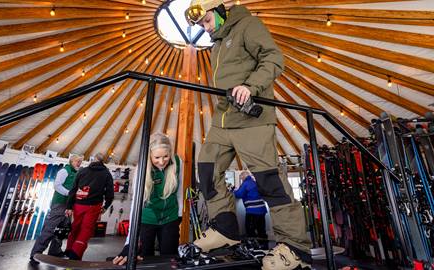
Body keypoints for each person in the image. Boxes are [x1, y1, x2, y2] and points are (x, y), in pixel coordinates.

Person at [185, 0, 312, 269]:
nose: (205, 29)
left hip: (252, 118)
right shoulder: (217, 43)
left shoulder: (248, 25)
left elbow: (274, 58)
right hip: (223, 119)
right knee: (207, 170)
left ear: (220, 11)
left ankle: (294, 249)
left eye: (207, 21)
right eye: (201, 25)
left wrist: (251, 86)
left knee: (268, 180)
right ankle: (225, 230)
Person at [111, 133, 183, 265]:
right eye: (157, 157)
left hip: (170, 218)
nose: (162, 162)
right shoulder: (142, 168)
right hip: (147, 218)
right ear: (149, 155)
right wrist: (130, 242)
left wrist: (179, 216)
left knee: (170, 259)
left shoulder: (178, 162)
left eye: (166, 156)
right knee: (144, 258)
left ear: (170, 153)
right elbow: (136, 205)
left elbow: (179, 192)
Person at [29, 155, 83, 266]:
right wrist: (69, 193)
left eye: (80, 162)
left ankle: (55, 251)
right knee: (49, 229)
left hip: (68, 205)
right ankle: (35, 254)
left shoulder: (76, 173)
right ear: (71, 161)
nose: (79, 163)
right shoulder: (64, 171)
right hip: (59, 204)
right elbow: (57, 185)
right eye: (78, 161)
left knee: (62, 230)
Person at [64, 153, 114, 260]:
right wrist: (105, 207)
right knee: (86, 230)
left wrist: (69, 206)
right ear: (102, 161)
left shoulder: (82, 170)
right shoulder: (106, 174)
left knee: (75, 227)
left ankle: (69, 249)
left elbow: (73, 189)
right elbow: (110, 194)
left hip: (78, 204)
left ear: (93, 159)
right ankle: (75, 253)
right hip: (94, 206)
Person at [232, 171, 268, 249]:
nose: (241, 179)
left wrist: (233, 191)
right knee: (261, 229)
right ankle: (265, 247)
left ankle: (252, 248)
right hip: (262, 209)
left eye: (241, 177)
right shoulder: (254, 182)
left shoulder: (246, 183)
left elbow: (239, 194)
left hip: (253, 210)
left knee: (250, 229)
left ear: (244, 177)